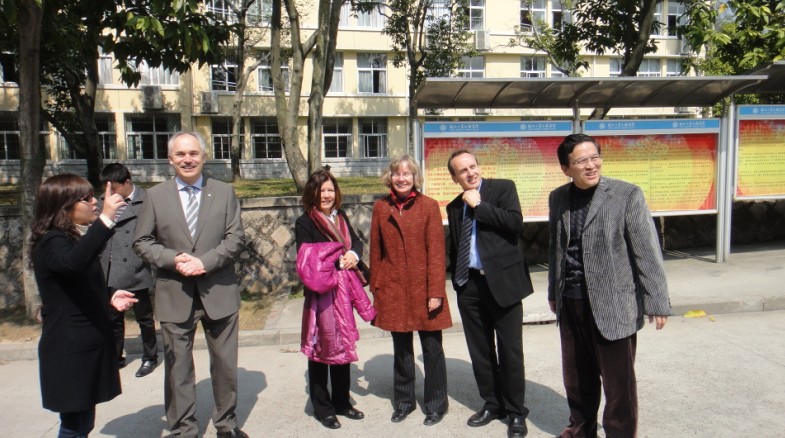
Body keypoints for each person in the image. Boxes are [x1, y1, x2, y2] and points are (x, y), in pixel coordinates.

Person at [547, 133, 671, 438]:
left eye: (595, 157)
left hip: (613, 303)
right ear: (566, 168)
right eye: (581, 161)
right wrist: (554, 292)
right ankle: (581, 430)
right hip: (571, 299)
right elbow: (556, 248)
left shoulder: (626, 195)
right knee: (577, 378)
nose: (591, 165)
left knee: (619, 386)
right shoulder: (558, 198)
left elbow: (646, 251)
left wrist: (657, 300)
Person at [133, 131, 247, 438]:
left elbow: (236, 238)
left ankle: (226, 424)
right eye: (181, 154)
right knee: (178, 368)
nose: (188, 159)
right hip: (175, 292)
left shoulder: (223, 192)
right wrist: (173, 259)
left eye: (193, 153)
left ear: (203, 156)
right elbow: (142, 241)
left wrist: (204, 262)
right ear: (170, 159)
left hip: (219, 291)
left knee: (225, 365)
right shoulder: (155, 196)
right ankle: (183, 429)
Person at [31, 174, 138, 438]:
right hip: (69, 348)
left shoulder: (70, 238)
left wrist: (109, 297)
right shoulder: (51, 240)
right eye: (86, 198)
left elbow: (74, 284)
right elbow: (72, 264)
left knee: (82, 423)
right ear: (64, 206)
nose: (94, 203)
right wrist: (106, 220)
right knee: (74, 426)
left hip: (84, 344)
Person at [446, 149, 534, 438]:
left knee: (510, 352)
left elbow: (515, 225)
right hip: (469, 285)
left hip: (503, 283)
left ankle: (516, 412)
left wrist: (480, 206)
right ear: (455, 178)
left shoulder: (503, 189)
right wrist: (458, 283)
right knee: (481, 351)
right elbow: (456, 246)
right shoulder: (454, 207)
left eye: (473, 166)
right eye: (463, 170)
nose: (470, 173)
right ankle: (492, 404)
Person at [369, 156, 451, 426]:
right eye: (397, 174)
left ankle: (436, 404)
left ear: (415, 177)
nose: (402, 178)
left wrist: (436, 291)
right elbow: (375, 251)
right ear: (389, 177)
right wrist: (376, 288)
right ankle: (404, 402)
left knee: (432, 349)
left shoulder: (429, 206)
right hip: (393, 288)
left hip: (424, 287)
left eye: (407, 174)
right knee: (402, 349)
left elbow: (436, 253)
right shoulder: (381, 207)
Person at [295, 169, 376, 430]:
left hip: (343, 292)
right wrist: (337, 258)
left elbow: (356, 243)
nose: (327, 195)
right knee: (320, 349)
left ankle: (342, 402)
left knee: (342, 343)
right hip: (320, 295)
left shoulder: (340, 217)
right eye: (322, 190)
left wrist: (353, 254)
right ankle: (323, 408)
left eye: (330, 190)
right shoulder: (305, 222)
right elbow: (306, 260)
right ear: (313, 193)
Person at [98, 163, 158, 378]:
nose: (111, 192)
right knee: (114, 318)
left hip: (136, 265)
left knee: (144, 318)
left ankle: (150, 357)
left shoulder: (147, 200)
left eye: (115, 187)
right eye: (108, 188)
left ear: (127, 182)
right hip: (111, 267)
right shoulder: (103, 202)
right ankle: (116, 356)